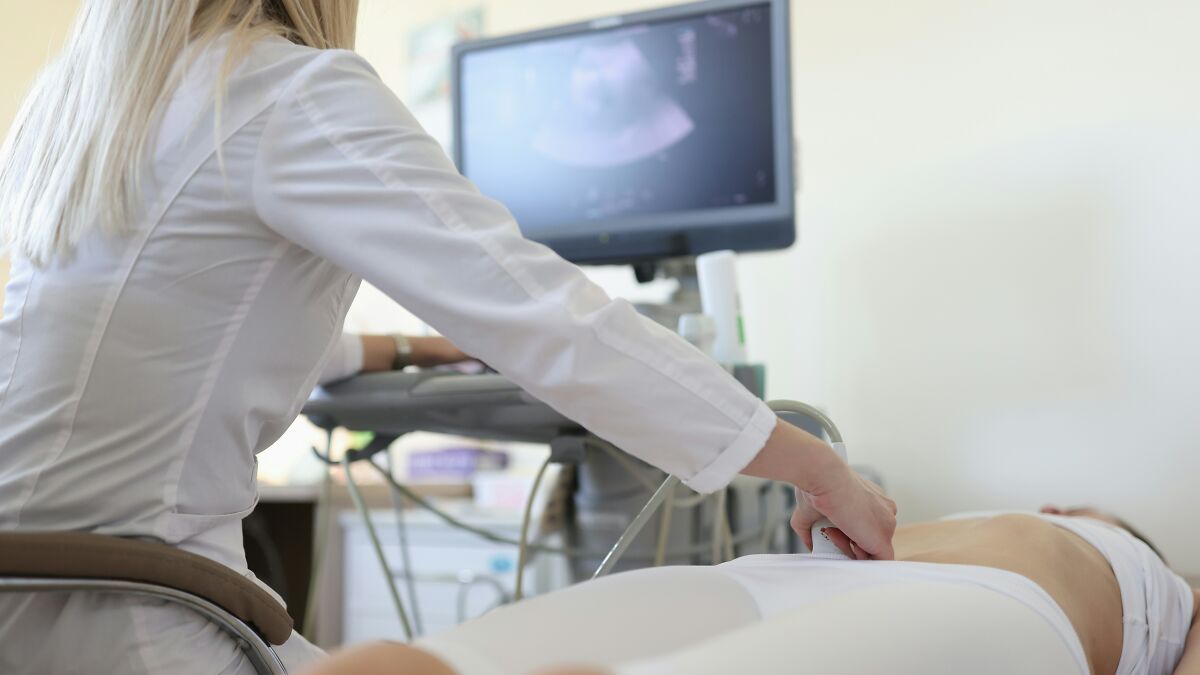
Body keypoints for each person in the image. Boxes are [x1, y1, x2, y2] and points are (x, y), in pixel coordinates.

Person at [0, 2, 895, 673]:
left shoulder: (82, 113)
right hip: (144, 623)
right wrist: (814, 464)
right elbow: (546, 314)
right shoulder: (282, 91)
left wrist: (409, 350)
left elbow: (178, 335)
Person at [299, 505, 1198, 675]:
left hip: (1002, 613)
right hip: (786, 577)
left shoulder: (1166, 584)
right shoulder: (1046, 526)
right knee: (400, 667)